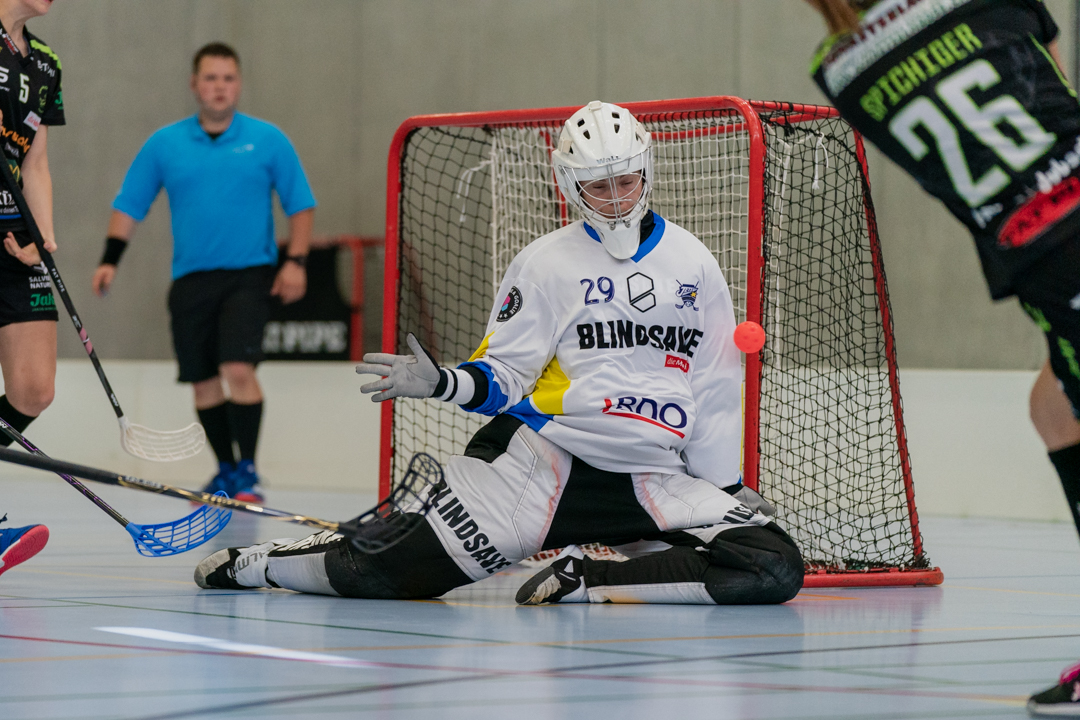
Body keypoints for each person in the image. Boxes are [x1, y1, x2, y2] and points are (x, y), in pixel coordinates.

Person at [193, 101, 804, 608]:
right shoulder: (545, 263)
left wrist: (726, 484)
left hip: (654, 476)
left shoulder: (694, 262)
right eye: (598, 185)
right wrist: (441, 383)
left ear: (646, 173)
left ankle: (587, 578)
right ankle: (264, 564)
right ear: (571, 185)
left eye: (626, 181)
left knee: (773, 566)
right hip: (542, 464)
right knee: (378, 576)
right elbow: (505, 374)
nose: (616, 198)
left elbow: (717, 388)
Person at [804, 0, 1080, 715]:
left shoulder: (842, 70)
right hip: (1058, 248)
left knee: (1057, 411)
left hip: (1045, 251)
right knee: (1055, 411)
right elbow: (1050, 67)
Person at [91, 42, 316, 504]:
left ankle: (248, 472)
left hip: (249, 275)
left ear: (239, 84)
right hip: (192, 279)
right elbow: (130, 204)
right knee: (203, 380)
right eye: (210, 78)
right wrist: (110, 260)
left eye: (228, 78)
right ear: (195, 85)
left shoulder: (268, 139)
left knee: (237, 366)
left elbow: (301, 205)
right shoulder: (165, 144)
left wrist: (295, 263)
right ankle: (227, 470)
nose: (219, 87)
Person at [0, 0, 63, 449]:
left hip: (15, 230)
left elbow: (35, 162)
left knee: (35, 389)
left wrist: (41, 236)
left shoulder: (47, 63)